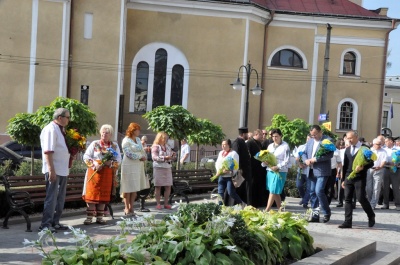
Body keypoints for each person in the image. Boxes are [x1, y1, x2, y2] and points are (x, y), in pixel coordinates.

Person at [39, 108, 71, 232]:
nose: (69, 120)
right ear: (60, 118)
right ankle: (46, 225)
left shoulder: (60, 129)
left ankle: (55, 222)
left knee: (60, 197)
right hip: (54, 169)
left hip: (62, 169)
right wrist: (51, 170)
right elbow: (48, 152)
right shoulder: (50, 129)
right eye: (67, 117)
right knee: (51, 197)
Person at [82, 124, 121, 225]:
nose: (104, 134)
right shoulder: (95, 144)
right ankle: (89, 217)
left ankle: (100, 217)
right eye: (103, 132)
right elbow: (86, 156)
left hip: (107, 174)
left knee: (103, 195)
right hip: (94, 173)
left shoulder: (114, 146)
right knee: (92, 194)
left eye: (107, 132)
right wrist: (94, 164)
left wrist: (111, 163)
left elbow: (119, 160)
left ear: (111, 134)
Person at [339, 130, 375, 228]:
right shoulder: (347, 150)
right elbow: (345, 166)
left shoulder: (364, 149)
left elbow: (371, 163)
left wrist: (363, 167)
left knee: (361, 198)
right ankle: (347, 221)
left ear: (356, 137)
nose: (349, 140)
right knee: (347, 199)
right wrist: (343, 180)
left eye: (350, 138)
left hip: (360, 177)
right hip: (349, 177)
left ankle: (371, 215)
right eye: (347, 138)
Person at [302, 125, 333, 223]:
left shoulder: (327, 140)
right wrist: (305, 160)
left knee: (319, 190)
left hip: (322, 170)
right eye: (312, 135)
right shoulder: (310, 141)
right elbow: (303, 153)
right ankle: (315, 216)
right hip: (311, 170)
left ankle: (326, 212)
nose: (313, 136)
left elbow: (329, 155)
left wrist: (315, 159)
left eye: (315, 134)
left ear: (320, 132)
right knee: (312, 193)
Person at [119, 123, 147, 217]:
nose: (139, 131)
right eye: (137, 130)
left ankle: (132, 207)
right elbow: (128, 153)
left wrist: (144, 156)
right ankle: (126, 207)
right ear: (132, 130)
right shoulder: (126, 140)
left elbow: (141, 150)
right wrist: (140, 156)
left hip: (137, 166)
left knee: (134, 187)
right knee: (127, 187)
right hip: (128, 165)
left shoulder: (138, 139)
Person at [263, 128, 290, 212]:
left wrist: (278, 166)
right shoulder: (270, 146)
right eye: (273, 136)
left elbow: (287, 160)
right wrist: (265, 161)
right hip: (270, 170)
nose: (275, 138)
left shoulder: (285, 146)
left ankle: (267, 209)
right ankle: (280, 209)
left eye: (276, 136)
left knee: (273, 190)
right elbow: (267, 156)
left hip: (280, 171)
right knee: (275, 191)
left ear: (281, 136)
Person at [216, 139, 245, 207]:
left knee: (231, 192)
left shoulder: (233, 154)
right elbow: (217, 163)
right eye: (222, 144)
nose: (223, 146)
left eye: (225, 144)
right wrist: (218, 170)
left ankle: (242, 203)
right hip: (221, 176)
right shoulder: (221, 153)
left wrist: (229, 170)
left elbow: (236, 166)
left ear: (229, 145)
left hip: (230, 177)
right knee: (220, 192)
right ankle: (220, 207)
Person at [152, 132, 175, 210]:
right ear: (159, 138)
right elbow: (154, 157)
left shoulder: (167, 146)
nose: (165, 139)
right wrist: (165, 158)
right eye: (163, 138)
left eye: (166, 138)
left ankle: (166, 203)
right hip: (158, 168)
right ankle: (158, 204)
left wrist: (172, 156)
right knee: (158, 186)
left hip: (167, 167)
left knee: (168, 185)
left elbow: (171, 155)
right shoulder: (155, 146)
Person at [246, 129, 268, 208]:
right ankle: (252, 202)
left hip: (259, 168)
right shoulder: (250, 143)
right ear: (256, 135)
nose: (262, 137)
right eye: (261, 135)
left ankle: (258, 202)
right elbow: (248, 155)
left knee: (258, 185)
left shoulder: (259, 143)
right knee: (253, 185)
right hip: (253, 168)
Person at [366, 138, 387, 209]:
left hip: (379, 170)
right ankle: (369, 201)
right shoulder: (369, 150)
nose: (380, 145)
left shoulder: (383, 151)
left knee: (376, 187)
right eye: (378, 144)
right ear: (374, 144)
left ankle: (373, 204)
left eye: (380, 144)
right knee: (368, 187)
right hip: (369, 170)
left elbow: (384, 160)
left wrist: (380, 166)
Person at [382, 136, 400, 210]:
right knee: (385, 187)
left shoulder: (398, 149)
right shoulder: (383, 149)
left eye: (386, 141)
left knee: (395, 187)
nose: (385, 143)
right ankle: (386, 204)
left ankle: (398, 204)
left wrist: (397, 163)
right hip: (386, 169)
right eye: (385, 141)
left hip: (396, 170)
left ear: (391, 141)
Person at [294, 134, 311, 209]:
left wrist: (308, 164)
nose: (308, 140)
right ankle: (304, 199)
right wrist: (299, 164)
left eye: (310, 139)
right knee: (299, 185)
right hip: (301, 170)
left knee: (309, 188)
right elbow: (297, 157)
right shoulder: (301, 147)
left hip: (309, 170)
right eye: (307, 138)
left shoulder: (313, 148)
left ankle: (305, 202)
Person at [325, 139, 342, 205]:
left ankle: (328, 201)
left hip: (332, 170)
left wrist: (339, 172)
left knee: (331, 186)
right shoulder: (323, 150)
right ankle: (324, 200)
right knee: (324, 186)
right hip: (324, 170)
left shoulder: (336, 151)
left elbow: (339, 162)